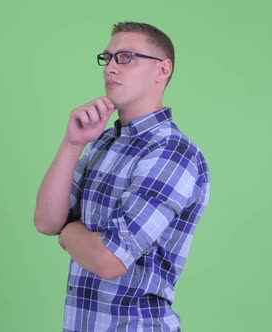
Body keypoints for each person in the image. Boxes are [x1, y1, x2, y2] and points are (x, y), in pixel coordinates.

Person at [33, 21, 210, 331]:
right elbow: (46, 220)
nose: (110, 68)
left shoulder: (171, 151)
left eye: (126, 57)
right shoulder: (102, 143)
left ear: (162, 69)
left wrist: (67, 233)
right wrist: (72, 143)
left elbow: (109, 260)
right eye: (108, 57)